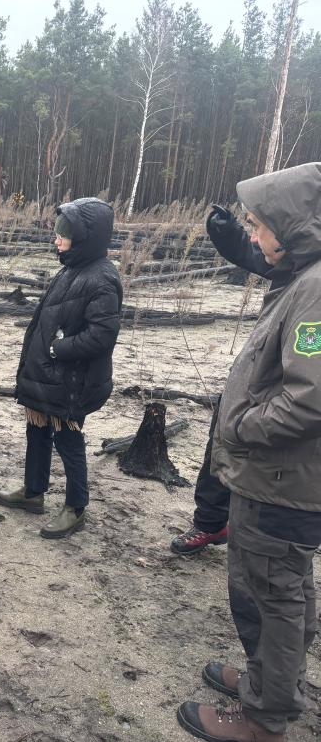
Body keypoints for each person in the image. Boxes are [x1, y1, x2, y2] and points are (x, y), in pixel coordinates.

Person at [177, 161, 321, 742]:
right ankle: (272, 678)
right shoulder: (301, 279)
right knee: (280, 588)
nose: (254, 238)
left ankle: (266, 716)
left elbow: (310, 398)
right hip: (276, 477)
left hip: (281, 479)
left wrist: (240, 426)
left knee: (273, 592)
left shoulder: (314, 292)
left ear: (293, 227)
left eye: (259, 226)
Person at [0, 198, 122, 538]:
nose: (56, 237)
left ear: (85, 236)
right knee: (36, 431)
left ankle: (76, 507)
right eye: (57, 230)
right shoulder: (71, 268)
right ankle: (33, 492)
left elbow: (103, 335)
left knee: (68, 439)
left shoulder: (102, 278)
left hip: (72, 382)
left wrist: (58, 348)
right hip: (48, 377)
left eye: (64, 231)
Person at [169, 205, 286, 555]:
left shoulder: (312, 283)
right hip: (252, 382)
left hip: (279, 398)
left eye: (258, 227)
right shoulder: (292, 261)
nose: (254, 236)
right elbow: (258, 255)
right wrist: (228, 234)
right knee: (220, 444)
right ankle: (210, 523)